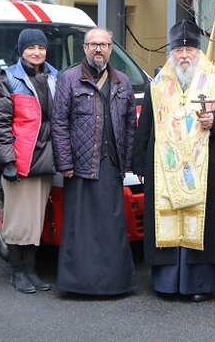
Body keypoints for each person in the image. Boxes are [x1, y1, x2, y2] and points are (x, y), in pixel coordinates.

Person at [131, 19, 215, 302]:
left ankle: (200, 285)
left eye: (190, 50)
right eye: (179, 50)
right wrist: (139, 163)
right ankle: (167, 284)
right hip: (165, 168)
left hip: (205, 169)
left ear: (199, 51)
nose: (184, 55)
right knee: (168, 218)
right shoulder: (157, 86)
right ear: (171, 52)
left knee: (200, 224)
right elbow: (146, 124)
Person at [51, 27, 137, 295]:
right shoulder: (69, 79)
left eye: (104, 44)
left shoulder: (122, 81)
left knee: (112, 226)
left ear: (111, 49)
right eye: (93, 44)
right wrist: (64, 163)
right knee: (81, 228)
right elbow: (59, 123)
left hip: (111, 165)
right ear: (84, 48)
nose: (99, 49)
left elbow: (130, 126)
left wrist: (127, 163)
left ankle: (115, 284)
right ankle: (78, 285)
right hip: (80, 165)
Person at [0, 29, 57, 294]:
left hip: (46, 158)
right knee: (18, 220)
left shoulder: (54, 77)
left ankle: (31, 270)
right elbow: (0, 123)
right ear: (21, 50)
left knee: (35, 218)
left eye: (41, 47)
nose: (37, 52)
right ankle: (17, 272)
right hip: (21, 158)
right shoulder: (9, 79)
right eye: (31, 48)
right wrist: (7, 160)